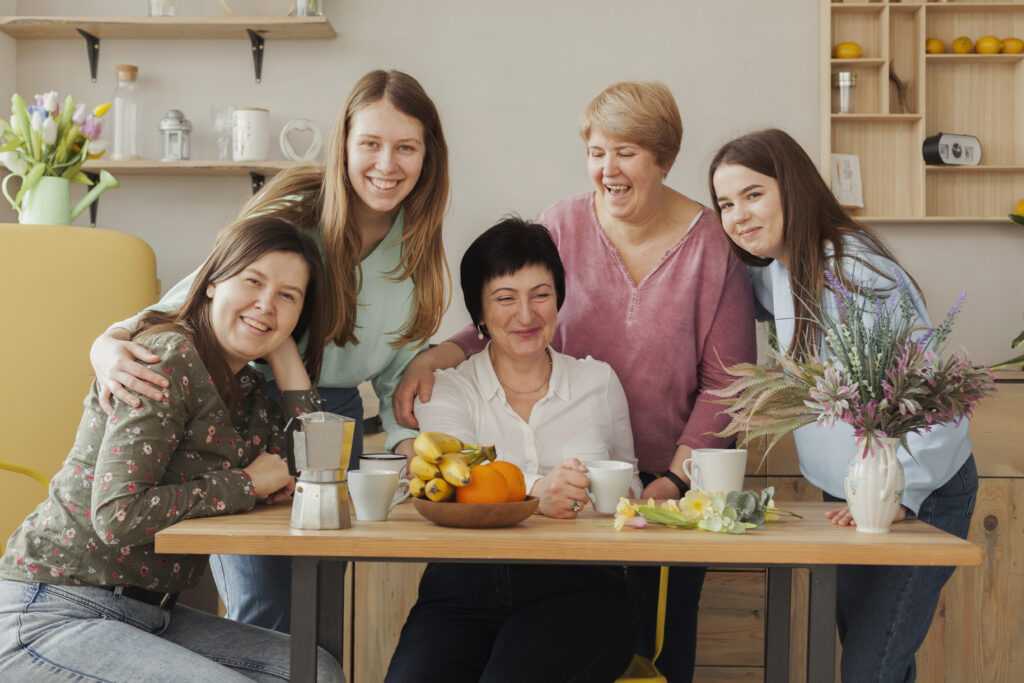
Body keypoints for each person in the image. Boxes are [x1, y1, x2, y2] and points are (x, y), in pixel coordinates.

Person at [395, 81, 756, 683]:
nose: (607, 169)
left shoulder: (711, 246)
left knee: (657, 656)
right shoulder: (561, 224)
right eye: (596, 152)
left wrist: (670, 481)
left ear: (663, 159)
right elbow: (507, 307)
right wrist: (436, 356)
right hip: (567, 486)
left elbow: (728, 383)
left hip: (673, 484)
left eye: (627, 152)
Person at [87, 69, 451, 632]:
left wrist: (408, 438)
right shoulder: (289, 212)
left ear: (428, 157)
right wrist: (107, 343)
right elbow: (197, 296)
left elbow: (400, 366)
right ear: (344, 146)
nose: (387, 165)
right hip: (247, 413)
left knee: (322, 616)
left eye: (406, 148)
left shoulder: (419, 244)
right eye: (370, 144)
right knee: (268, 609)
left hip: (338, 424)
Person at [0, 216, 342, 682]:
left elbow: (313, 468)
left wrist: (283, 353)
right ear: (210, 284)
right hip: (53, 606)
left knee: (311, 670)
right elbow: (118, 514)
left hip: (149, 614)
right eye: (253, 282)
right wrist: (246, 483)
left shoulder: (249, 392)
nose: (266, 305)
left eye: (288, 297)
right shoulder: (165, 357)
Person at [709, 128, 978, 683]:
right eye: (725, 204)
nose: (738, 215)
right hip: (852, 492)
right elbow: (728, 281)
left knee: (869, 669)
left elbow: (930, 397)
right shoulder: (783, 268)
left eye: (753, 194)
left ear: (795, 187)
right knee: (871, 658)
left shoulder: (854, 271)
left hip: (913, 494)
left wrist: (900, 495)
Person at [386, 217, 639, 683]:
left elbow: (630, 487)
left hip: (581, 588)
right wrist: (539, 492)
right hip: (463, 587)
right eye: (505, 298)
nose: (526, 315)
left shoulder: (597, 382)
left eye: (540, 294)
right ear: (479, 313)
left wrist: (599, 495)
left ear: (559, 299)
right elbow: (453, 480)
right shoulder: (445, 390)